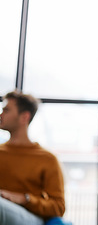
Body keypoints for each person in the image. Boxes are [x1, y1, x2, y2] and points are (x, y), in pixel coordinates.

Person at [0, 91, 65, 225]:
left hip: (30, 217)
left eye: (6, 110)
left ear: (24, 117)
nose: (1, 115)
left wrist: (25, 199)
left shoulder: (47, 158)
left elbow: (58, 207)